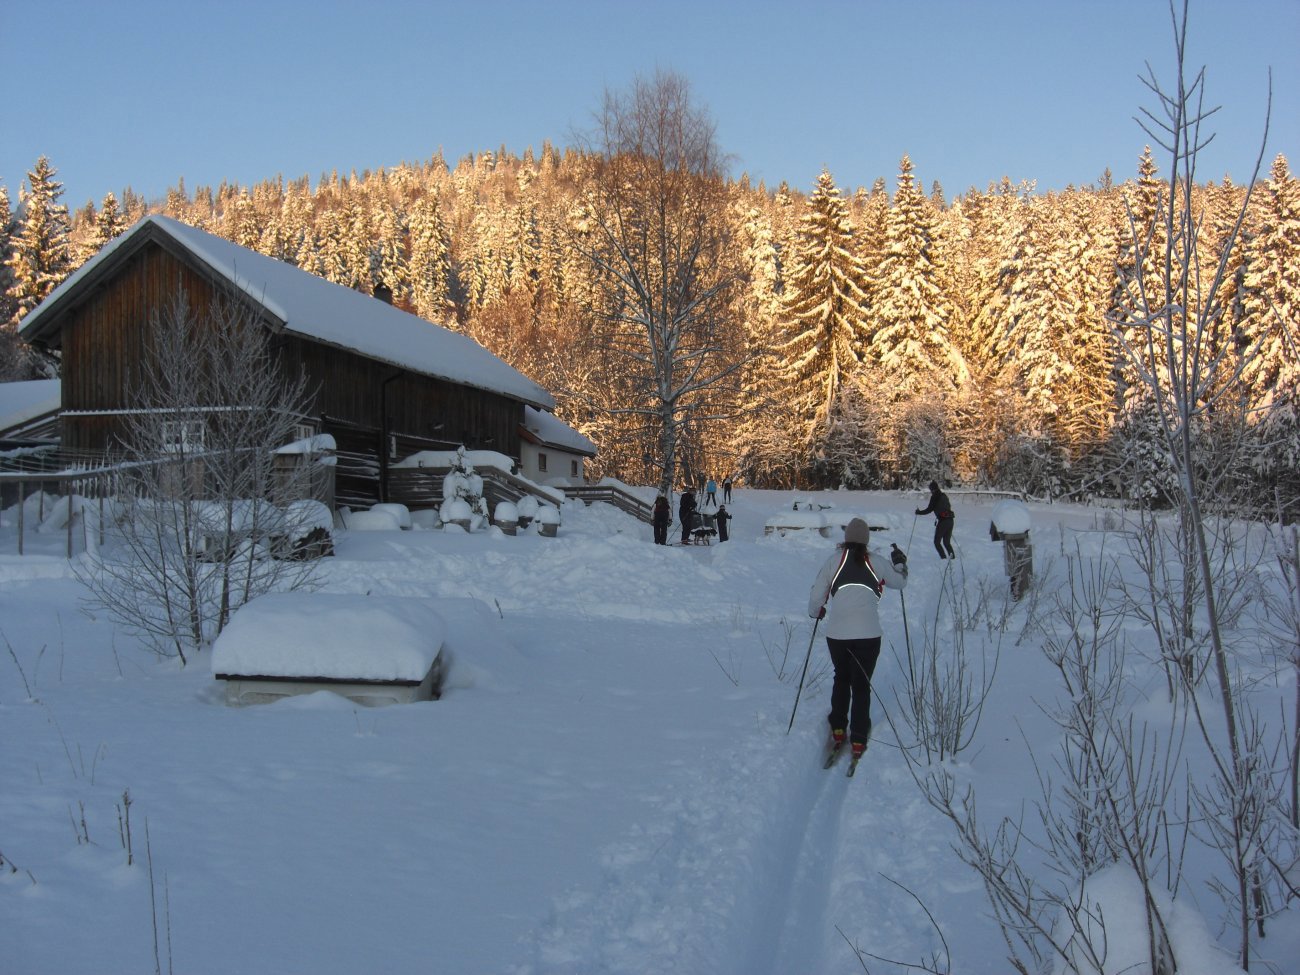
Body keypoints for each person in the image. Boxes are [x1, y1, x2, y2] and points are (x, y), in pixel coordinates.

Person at [808, 517, 908, 760]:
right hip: (868, 636)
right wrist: (901, 564)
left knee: (841, 679)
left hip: (837, 636)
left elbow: (816, 595)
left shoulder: (833, 561)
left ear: (846, 539)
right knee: (861, 686)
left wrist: (816, 611)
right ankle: (859, 737)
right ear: (866, 540)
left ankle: (839, 728)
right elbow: (900, 582)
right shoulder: (877, 562)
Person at [915, 480, 956, 559]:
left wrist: (919, 512)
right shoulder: (944, 495)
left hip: (943, 521)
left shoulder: (935, 496)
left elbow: (929, 509)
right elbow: (948, 506)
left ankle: (943, 559)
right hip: (950, 521)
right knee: (946, 542)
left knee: (937, 542)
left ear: (932, 489)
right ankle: (953, 559)